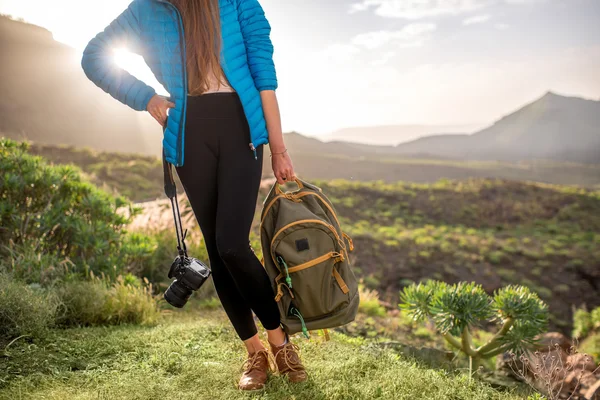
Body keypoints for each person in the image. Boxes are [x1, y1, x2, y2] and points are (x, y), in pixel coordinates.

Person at [81, 0, 307, 391]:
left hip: (241, 128)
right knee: (219, 255)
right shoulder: (149, 8)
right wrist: (145, 96)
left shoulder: (238, 3)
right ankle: (254, 352)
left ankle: (280, 342)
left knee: (232, 244)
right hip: (189, 134)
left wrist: (280, 148)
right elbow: (93, 56)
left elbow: (263, 75)